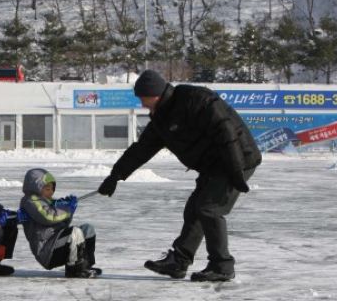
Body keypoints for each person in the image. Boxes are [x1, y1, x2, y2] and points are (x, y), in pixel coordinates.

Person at [97, 70, 262, 282]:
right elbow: (142, 149)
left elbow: (226, 130)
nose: (141, 103)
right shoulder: (161, 118)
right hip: (214, 164)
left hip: (237, 158)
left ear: (154, 93)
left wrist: (236, 170)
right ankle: (179, 261)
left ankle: (222, 266)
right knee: (195, 209)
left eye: (142, 98)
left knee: (209, 209)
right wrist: (115, 175)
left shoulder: (194, 99)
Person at [20, 168, 101, 278]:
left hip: (56, 243)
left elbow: (63, 224)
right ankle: (74, 269)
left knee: (87, 229)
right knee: (75, 232)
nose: (51, 192)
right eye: (47, 189)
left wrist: (67, 208)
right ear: (36, 188)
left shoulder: (47, 202)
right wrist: (66, 209)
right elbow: (49, 217)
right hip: (46, 250)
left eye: (52, 189)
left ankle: (85, 265)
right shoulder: (31, 201)